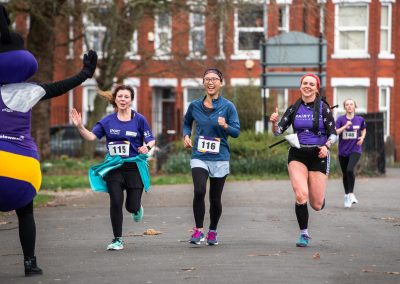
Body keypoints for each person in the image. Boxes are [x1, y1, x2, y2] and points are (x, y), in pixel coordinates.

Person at [0, 4, 97, 276]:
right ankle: (30, 263)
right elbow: (59, 87)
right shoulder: (28, 91)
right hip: (20, 166)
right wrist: (85, 74)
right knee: (25, 213)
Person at [70, 85, 155, 251]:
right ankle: (117, 239)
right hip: (114, 167)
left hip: (134, 167)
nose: (123, 99)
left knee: (131, 206)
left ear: (131, 100)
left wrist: (147, 147)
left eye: (126, 97)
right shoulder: (107, 121)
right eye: (120, 96)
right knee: (116, 202)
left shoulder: (139, 119)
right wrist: (80, 126)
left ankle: (137, 208)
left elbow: (151, 139)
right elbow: (92, 137)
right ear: (115, 99)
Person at [269, 73, 337, 247]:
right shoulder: (294, 108)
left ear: (316, 88)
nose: (307, 86)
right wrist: (274, 123)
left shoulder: (323, 108)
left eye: (311, 84)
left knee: (316, 203)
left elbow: (334, 135)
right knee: (300, 194)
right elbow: (278, 132)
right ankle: (304, 234)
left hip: (318, 156)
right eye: (304, 83)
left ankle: (318, 197)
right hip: (298, 155)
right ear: (300, 86)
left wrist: (326, 146)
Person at [183, 68, 240, 246]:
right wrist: (186, 135)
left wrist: (225, 127)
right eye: (207, 79)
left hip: (220, 156)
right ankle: (198, 230)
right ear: (203, 83)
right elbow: (186, 123)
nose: (210, 82)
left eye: (214, 79)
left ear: (220, 83)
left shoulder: (228, 106)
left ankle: (212, 231)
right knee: (199, 190)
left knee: (215, 198)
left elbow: (236, 132)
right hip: (199, 154)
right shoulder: (194, 106)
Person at [335, 99, 366, 208]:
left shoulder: (360, 119)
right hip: (343, 151)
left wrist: (362, 137)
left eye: (351, 104)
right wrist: (345, 126)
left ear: (354, 106)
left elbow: (363, 129)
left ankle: (351, 194)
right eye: (347, 104)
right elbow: (336, 132)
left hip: (355, 149)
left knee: (349, 169)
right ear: (344, 107)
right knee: (345, 174)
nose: (349, 106)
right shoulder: (340, 119)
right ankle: (347, 196)